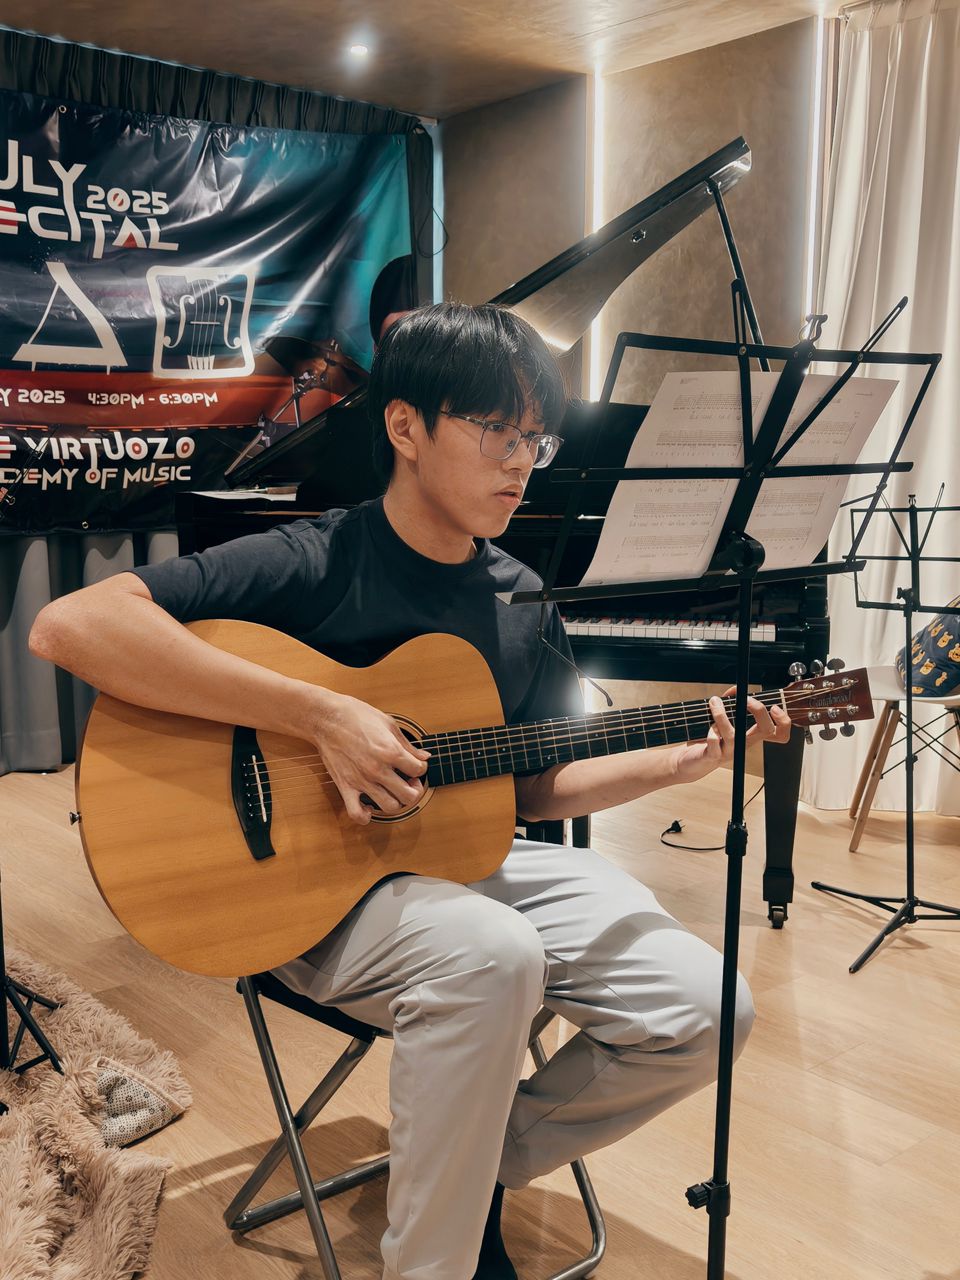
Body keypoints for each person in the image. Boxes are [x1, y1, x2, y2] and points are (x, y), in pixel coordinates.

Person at [29, 302, 791, 1280]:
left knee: (706, 1007)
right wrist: (321, 715)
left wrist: (677, 763)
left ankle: (471, 1164)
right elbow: (71, 625)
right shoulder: (316, 557)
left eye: (537, 439)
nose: (522, 463)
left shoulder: (517, 595)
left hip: (465, 864)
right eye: (497, 431)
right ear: (405, 426)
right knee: (494, 952)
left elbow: (531, 786)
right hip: (309, 893)